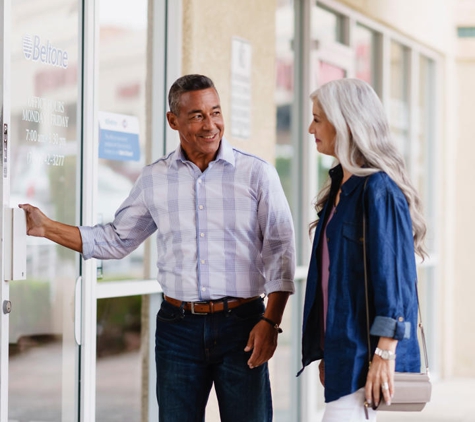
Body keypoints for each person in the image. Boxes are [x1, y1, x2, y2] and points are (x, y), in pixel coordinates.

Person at [20, 74, 296, 422]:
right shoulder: (155, 178)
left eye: (215, 112)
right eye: (197, 115)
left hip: (243, 325)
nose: (210, 125)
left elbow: (281, 252)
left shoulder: (257, 174)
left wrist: (271, 321)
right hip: (178, 330)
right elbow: (116, 240)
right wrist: (46, 228)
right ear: (173, 120)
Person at [298, 78, 427, 421]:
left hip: (366, 357)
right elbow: (337, 280)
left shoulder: (378, 188)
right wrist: (328, 349)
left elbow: (395, 280)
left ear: (346, 123)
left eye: (318, 119)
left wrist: (385, 353)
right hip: (344, 352)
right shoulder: (342, 185)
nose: (311, 127)